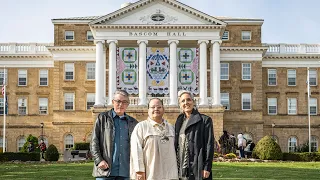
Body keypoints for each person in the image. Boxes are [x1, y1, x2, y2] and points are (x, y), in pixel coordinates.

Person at [91, 90, 138, 180]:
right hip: (105, 170)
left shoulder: (133, 122)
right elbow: (94, 141)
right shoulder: (102, 118)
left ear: (128, 104)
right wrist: (99, 160)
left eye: (124, 102)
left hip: (126, 171)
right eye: (118, 101)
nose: (121, 104)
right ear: (113, 102)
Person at [130, 98, 178, 180]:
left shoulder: (171, 127)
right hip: (150, 174)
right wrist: (139, 170)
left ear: (163, 109)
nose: (156, 109)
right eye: (153, 107)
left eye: (159, 107)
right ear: (148, 110)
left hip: (170, 175)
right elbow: (136, 150)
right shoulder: (141, 127)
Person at [175, 90, 214, 180]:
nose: (186, 103)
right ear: (180, 104)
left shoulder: (205, 120)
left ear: (193, 102)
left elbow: (209, 145)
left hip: (197, 166)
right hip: (180, 165)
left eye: (188, 100)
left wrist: (207, 167)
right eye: (183, 101)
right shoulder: (179, 120)